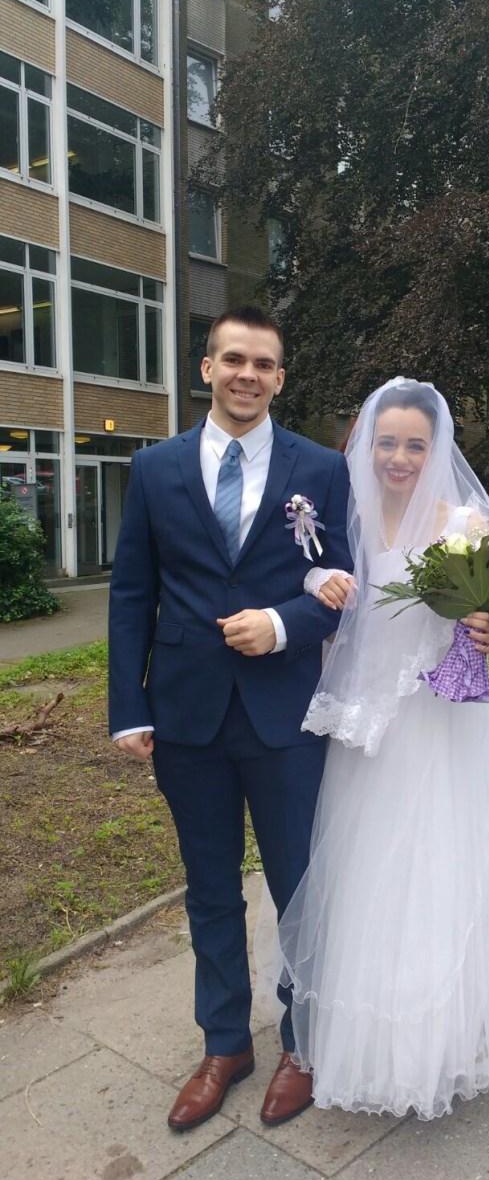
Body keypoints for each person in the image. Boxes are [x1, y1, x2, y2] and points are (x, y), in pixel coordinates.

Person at [277, 377, 489, 1119]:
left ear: (436, 449)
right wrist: (317, 578)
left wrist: (488, 629)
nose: (399, 457)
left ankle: (442, 1036)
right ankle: (368, 1035)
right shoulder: (344, 519)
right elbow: (308, 580)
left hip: (438, 725)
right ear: (365, 444)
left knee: (440, 867)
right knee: (366, 872)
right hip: (363, 727)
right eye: (387, 442)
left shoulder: (464, 525)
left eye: (415, 444)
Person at [108, 305, 352, 1131]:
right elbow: (131, 593)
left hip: (285, 713)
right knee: (209, 888)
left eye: (264, 363)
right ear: (206, 368)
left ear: (280, 378)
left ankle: (303, 1040)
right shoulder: (155, 468)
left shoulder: (320, 468)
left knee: (299, 889)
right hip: (187, 715)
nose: (248, 373)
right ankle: (224, 1043)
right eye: (234, 358)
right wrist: (127, 707)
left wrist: (281, 624)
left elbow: (340, 581)